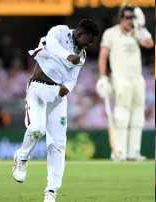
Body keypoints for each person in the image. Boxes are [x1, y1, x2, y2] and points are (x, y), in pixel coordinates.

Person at [12, 19, 100, 202]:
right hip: (37, 88)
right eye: (88, 41)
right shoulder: (60, 32)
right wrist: (68, 57)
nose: (88, 45)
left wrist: (68, 87)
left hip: (58, 97)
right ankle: (21, 158)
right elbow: (50, 44)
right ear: (79, 33)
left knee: (58, 145)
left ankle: (51, 192)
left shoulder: (81, 55)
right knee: (37, 129)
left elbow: (72, 78)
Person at [96, 3, 154, 161]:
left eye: (132, 17)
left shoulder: (136, 32)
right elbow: (103, 57)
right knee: (121, 114)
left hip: (137, 77)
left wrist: (140, 26)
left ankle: (134, 152)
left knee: (137, 115)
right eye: (128, 17)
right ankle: (118, 151)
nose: (130, 21)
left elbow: (150, 43)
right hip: (120, 77)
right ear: (121, 18)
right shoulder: (111, 33)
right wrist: (103, 77)